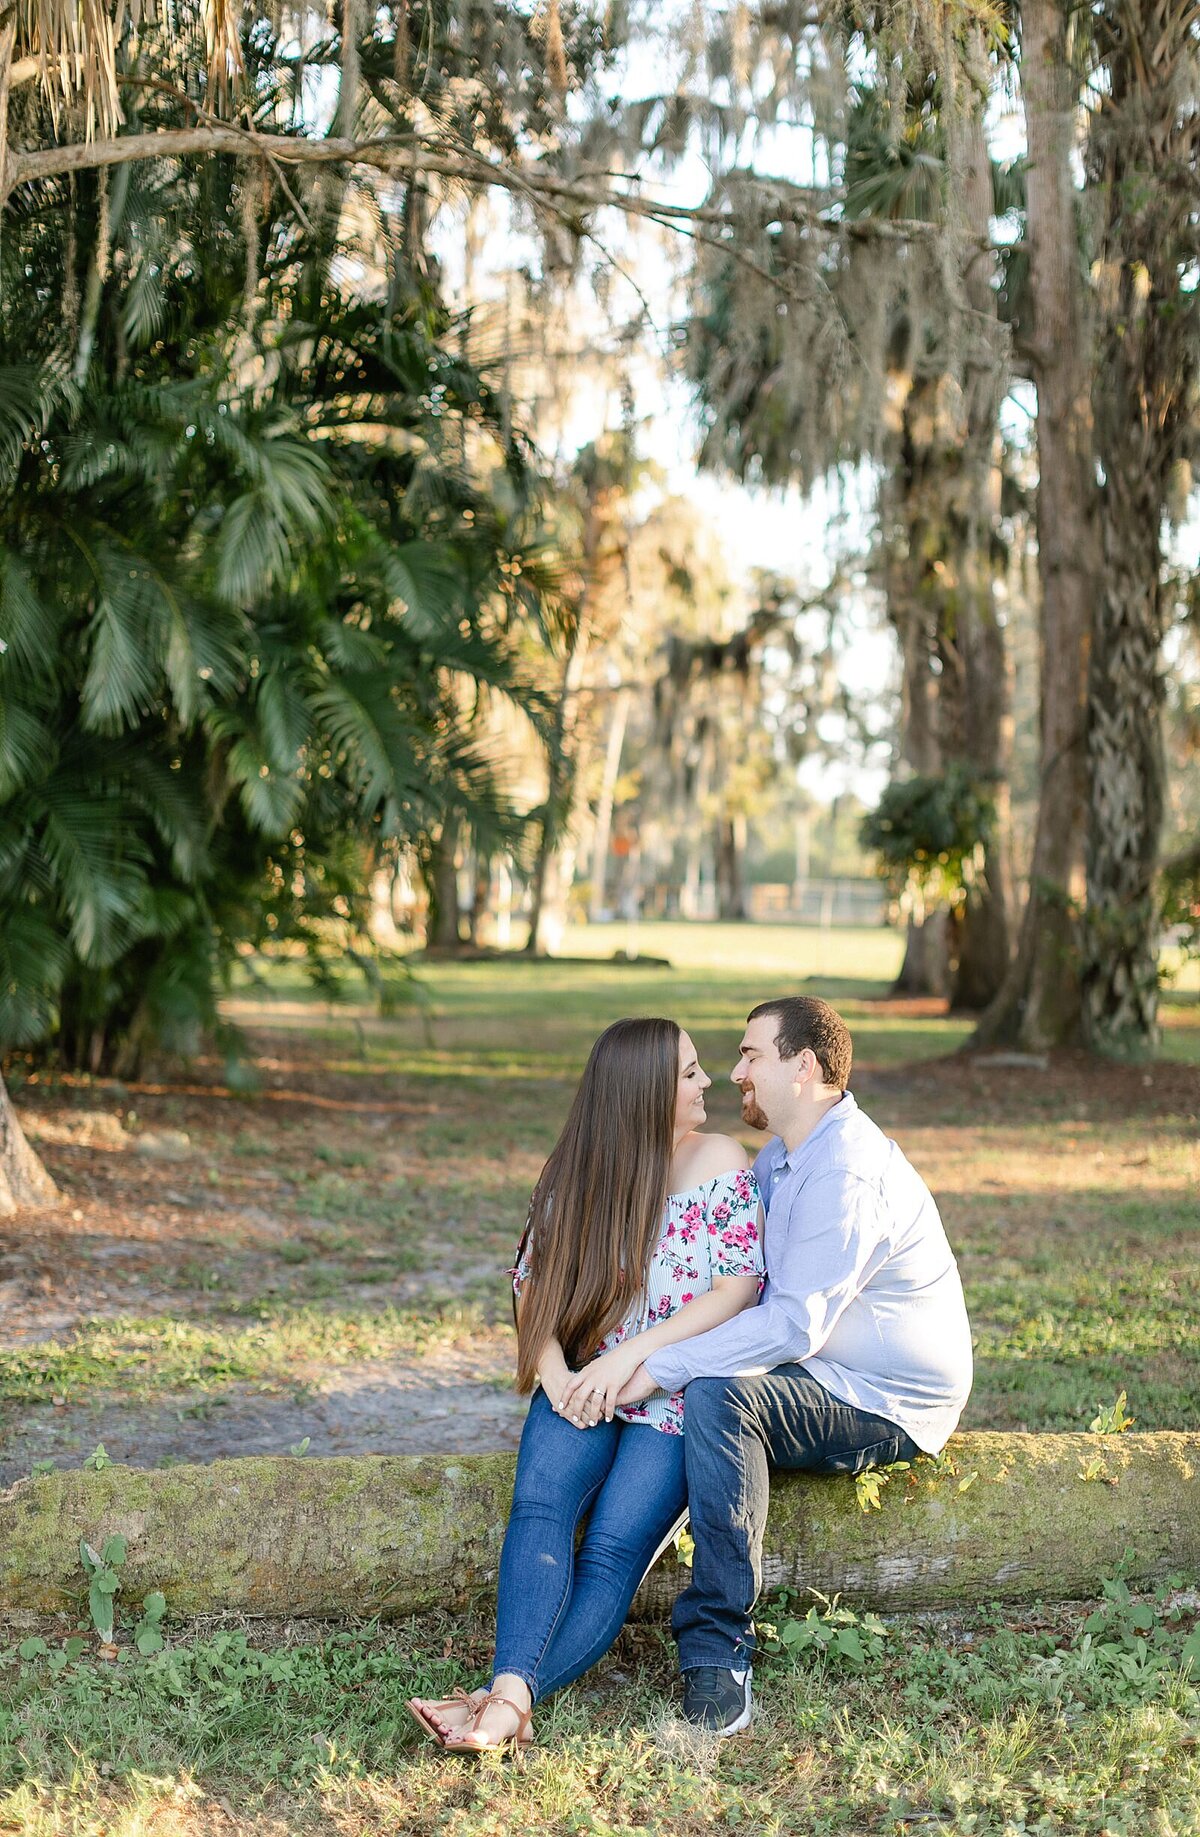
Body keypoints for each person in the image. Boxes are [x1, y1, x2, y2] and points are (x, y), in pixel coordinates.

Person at [589, 996, 973, 1737]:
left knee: (719, 1396)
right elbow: (740, 1280)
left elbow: (795, 1323)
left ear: (805, 1068)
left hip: (888, 1398)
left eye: (750, 1055)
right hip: (825, 1368)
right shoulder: (785, 1156)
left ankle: (718, 1650)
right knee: (707, 1383)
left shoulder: (848, 1172)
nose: (735, 1072)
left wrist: (661, 1363)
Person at [406, 1015, 765, 1753]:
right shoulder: (574, 1173)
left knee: (608, 1552)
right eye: (690, 1072)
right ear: (644, 1093)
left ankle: (500, 1703)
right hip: (582, 1385)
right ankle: (509, 1699)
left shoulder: (720, 1157)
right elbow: (530, 1283)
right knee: (538, 1510)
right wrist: (561, 1375)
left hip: (671, 1394)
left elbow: (737, 1287)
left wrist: (630, 1360)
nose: (707, 1083)